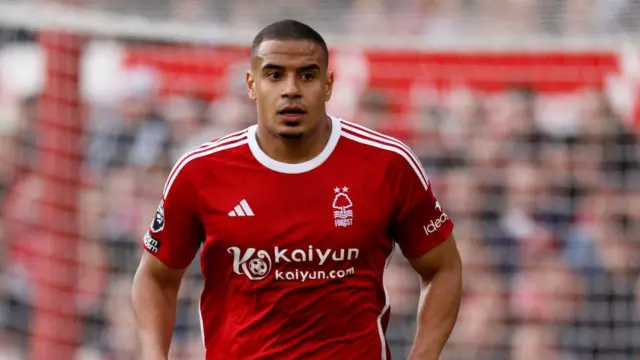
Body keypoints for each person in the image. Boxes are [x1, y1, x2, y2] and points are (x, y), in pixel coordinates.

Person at [131, 19, 462, 360]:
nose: (291, 89)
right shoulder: (200, 171)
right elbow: (156, 277)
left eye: (307, 75)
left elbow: (443, 267)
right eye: (275, 75)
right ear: (252, 84)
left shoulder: (388, 164)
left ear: (329, 84)